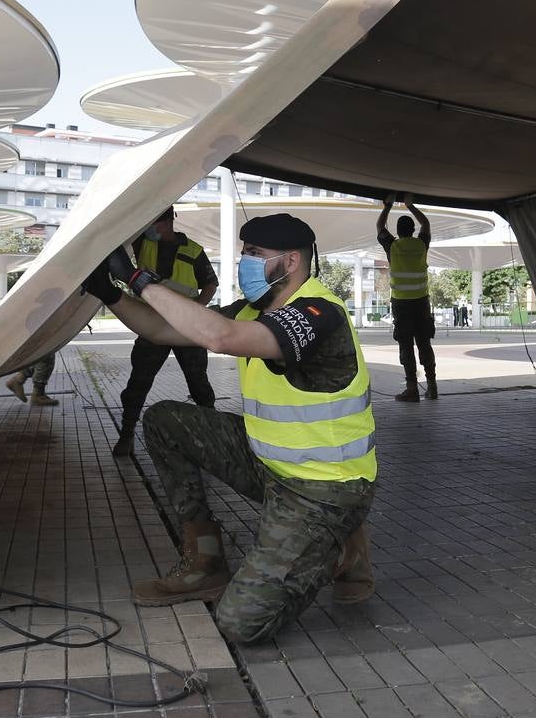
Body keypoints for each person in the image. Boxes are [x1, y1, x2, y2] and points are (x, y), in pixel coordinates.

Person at [82, 213, 376, 644]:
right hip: (267, 463)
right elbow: (164, 329)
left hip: (324, 489)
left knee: (241, 624)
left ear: (291, 261)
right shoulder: (254, 308)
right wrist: (110, 291)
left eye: (255, 254)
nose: (245, 262)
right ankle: (206, 561)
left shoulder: (317, 312)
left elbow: (221, 338)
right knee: (165, 420)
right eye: (244, 253)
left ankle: (331, 545)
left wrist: (139, 277)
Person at [113, 206, 218, 457]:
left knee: (199, 384)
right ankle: (126, 435)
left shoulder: (193, 250)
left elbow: (210, 283)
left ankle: (213, 435)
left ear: (169, 221)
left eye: (155, 224)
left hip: (188, 328)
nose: (150, 229)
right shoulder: (142, 243)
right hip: (153, 323)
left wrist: (197, 310)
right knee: (139, 382)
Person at [377, 193, 437, 401]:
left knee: (406, 345)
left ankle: (412, 389)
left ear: (398, 232)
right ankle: (432, 385)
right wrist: (410, 206)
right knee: (424, 343)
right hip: (422, 302)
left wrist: (387, 206)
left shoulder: (393, 247)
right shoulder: (421, 245)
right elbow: (426, 223)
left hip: (402, 304)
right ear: (412, 231)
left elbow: (380, 228)